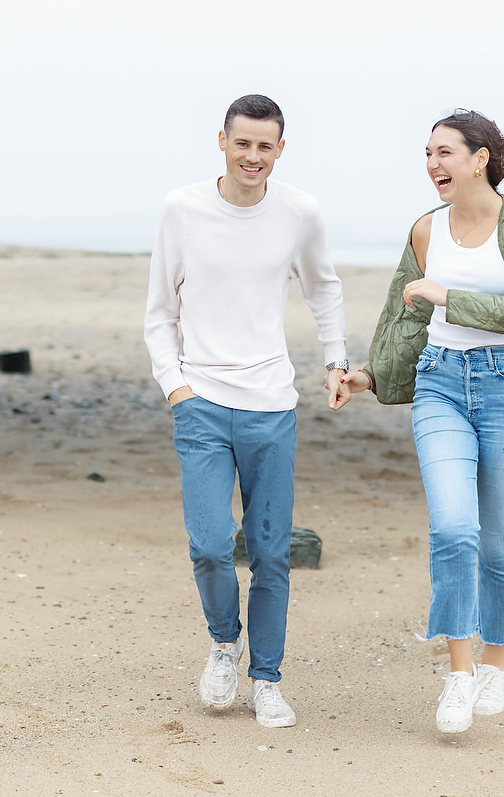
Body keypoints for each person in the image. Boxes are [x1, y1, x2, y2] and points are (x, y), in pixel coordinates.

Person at [337, 109, 504, 734]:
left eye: (445, 152)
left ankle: (496, 662)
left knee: (499, 543)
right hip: (440, 384)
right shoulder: (427, 231)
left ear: (481, 157)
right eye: (428, 154)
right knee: (454, 530)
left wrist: (447, 295)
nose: (433, 164)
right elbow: (404, 315)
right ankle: (457, 675)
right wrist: (371, 376)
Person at [144, 93, 350, 729]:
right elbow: (160, 312)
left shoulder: (299, 213)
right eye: (243, 144)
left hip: (271, 407)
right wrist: (175, 386)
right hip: (201, 403)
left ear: (280, 149)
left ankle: (266, 679)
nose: (252, 156)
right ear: (223, 142)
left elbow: (324, 288)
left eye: (265, 146)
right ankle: (221, 645)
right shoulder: (183, 209)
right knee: (209, 544)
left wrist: (335, 360)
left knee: (269, 552)